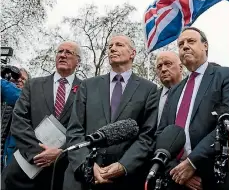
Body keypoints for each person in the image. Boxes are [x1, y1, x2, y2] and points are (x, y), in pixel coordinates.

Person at [64, 35, 159, 190]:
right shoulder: (88, 86)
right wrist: (86, 165)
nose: (112, 49)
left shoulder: (148, 89)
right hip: (83, 180)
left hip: (125, 179)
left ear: (132, 53)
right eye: (110, 46)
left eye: (119, 45)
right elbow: (75, 129)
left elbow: (147, 135)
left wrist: (123, 165)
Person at [157, 27, 229, 190]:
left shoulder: (226, 76)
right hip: (178, 180)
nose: (184, 46)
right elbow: (162, 134)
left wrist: (192, 162)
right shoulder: (174, 91)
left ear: (205, 46)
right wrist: (176, 169)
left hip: (213, 175)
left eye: (191, 41)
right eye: (181, 44)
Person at [2, 42, 82, 190]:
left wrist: (61, 153)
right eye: (60, 52)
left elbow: (87, 127)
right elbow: (19, 120)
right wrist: (38, 153)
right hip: (24, 172)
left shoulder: (86, 89)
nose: (63, 55)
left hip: (63, 173)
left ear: (78, 61)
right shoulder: (33, 85)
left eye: (68, 52)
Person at [1, 68, 30, 169]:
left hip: (11, 158)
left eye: (23, 78)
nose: (19, 80)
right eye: (16, 77)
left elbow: (18, 97)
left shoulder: (28, 99)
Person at [155, 51, 183, 126]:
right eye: (159, 66)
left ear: (180, 68)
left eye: (168, 64)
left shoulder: (191, 92)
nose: (163, 69)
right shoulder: (152, 98)